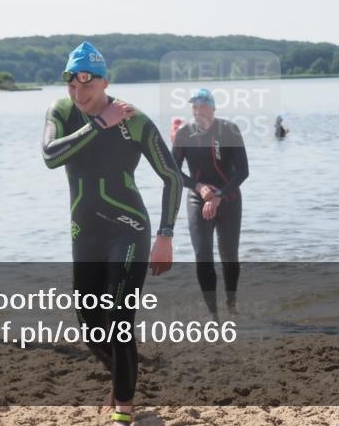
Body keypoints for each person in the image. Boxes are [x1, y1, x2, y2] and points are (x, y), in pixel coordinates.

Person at [41, 42, 182, 424]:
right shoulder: (62, 111)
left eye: (87, 85)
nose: (79, 93)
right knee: (91, 329)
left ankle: (123, 410)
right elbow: (51, 156)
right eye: (72, 85)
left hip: (129, 230)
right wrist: (98, 125)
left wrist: (165, 236)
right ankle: (122, 382)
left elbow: (171, 177)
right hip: (84, 232)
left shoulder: (133, 119)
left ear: (106, 81)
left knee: (119, 319)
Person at [172, 88, 250, 318]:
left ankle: (232, 304)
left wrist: (219, 195)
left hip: (229, 197)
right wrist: (198, 187)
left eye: (203, 106)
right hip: (198, 197)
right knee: (203, 255)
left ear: (213, 108)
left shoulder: (229, 130)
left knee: (229, 256)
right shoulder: (184, 134)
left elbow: (243, 171)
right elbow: (174, 172)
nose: (198, 111)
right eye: (194, 106)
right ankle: (213, 314)